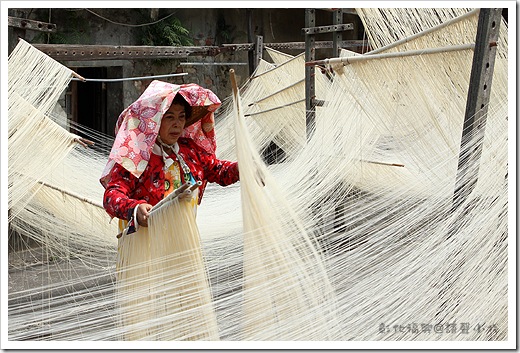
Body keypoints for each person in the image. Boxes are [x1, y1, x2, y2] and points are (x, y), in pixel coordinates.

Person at [100, 80, 239, 235]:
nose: (177, 124)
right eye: (169, 117)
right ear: (155, 121)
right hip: (146, 244)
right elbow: (112, 196)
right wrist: (135, 208)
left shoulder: (190, 151)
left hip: (183, 238)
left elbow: (218, 170)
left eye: (181, 117)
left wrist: (242, 168)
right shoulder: (137, 154)